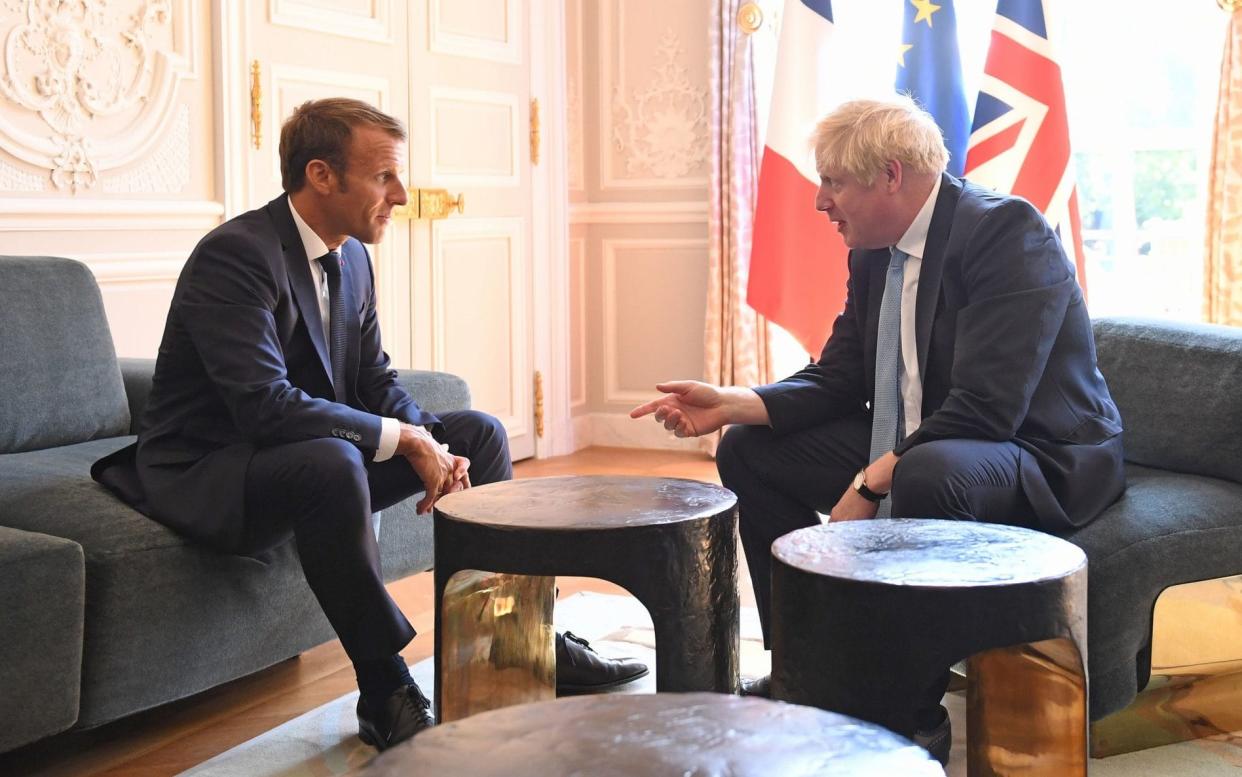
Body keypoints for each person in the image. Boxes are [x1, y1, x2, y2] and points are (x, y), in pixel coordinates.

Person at [92, 98, 645, 752]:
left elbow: (376, 378)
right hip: (213, 468)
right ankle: (384, 687)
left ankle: (520, 644)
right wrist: (402, 439)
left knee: (481, 434)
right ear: (322, 176)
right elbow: (262, 405)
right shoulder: (236, 256)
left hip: (301, 456)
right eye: (384, 176)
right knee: (332, 461)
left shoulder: (350, 257)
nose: (402, 195)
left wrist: (433, 442)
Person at [631, 95, 1123, 765]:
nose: (820, 203)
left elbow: (986, 410)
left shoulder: (1006, 233)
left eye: (833, 182)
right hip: (924, 442)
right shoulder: (873, 252)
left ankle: (908, 711)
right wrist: (733, 403)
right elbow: (838, 378)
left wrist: (869, 479)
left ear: (891, 175)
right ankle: (807, 666)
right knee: (751, 449)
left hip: (1036, 454)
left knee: (928, 468)